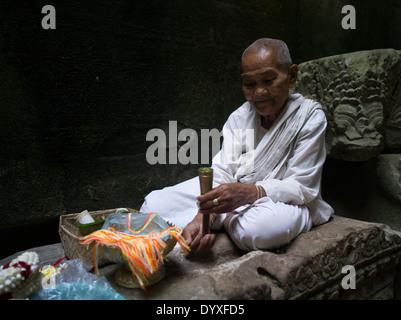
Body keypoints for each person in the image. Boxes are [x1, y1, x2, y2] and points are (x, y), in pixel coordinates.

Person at [140, 38, 334, 254]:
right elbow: (223, 172)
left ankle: (228, 215)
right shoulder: (239, 117)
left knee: (260, 230)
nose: (259, 92)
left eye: (268, 80)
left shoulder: (309, 117)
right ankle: (226, 216)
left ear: (291, 76)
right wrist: (203, 215)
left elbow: (302, 186)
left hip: (287, 202)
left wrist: (251, 192)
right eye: (249, 84)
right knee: (154, 205)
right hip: (236, 192)